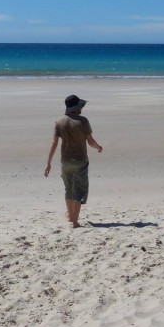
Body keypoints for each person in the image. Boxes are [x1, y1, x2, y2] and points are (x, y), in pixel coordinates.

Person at [44, 94, 103, 227]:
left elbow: (54, 143)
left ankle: (70, 216)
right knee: (79, 190)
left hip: (65, 160)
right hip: (80, 160)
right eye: (80, 106)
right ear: (77, 107)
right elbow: (90, 141)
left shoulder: (59, 121)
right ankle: (75, 222)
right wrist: (99, 148)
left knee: (68, 188)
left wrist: (48, 162)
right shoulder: (83, 121)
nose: (81, 109)